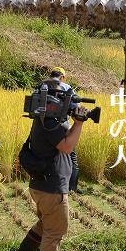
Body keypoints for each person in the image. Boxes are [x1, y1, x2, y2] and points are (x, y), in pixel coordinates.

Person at [11, 79, 89, 251]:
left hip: (42, 184)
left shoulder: (44, 118)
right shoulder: (52, 122)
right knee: (55, 230)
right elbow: (67, 146)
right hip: (51, 187)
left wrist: (73, 121)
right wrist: (79, 123)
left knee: (46, 224)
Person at [50, 66, 81, 194]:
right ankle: (71, 187)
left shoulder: (42, 86)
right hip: (62, 126)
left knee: (48, 156)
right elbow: (76, 106)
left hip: (42, 128)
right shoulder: (66, 87)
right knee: (71, 155)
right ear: (62, 77)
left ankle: (50, 184)